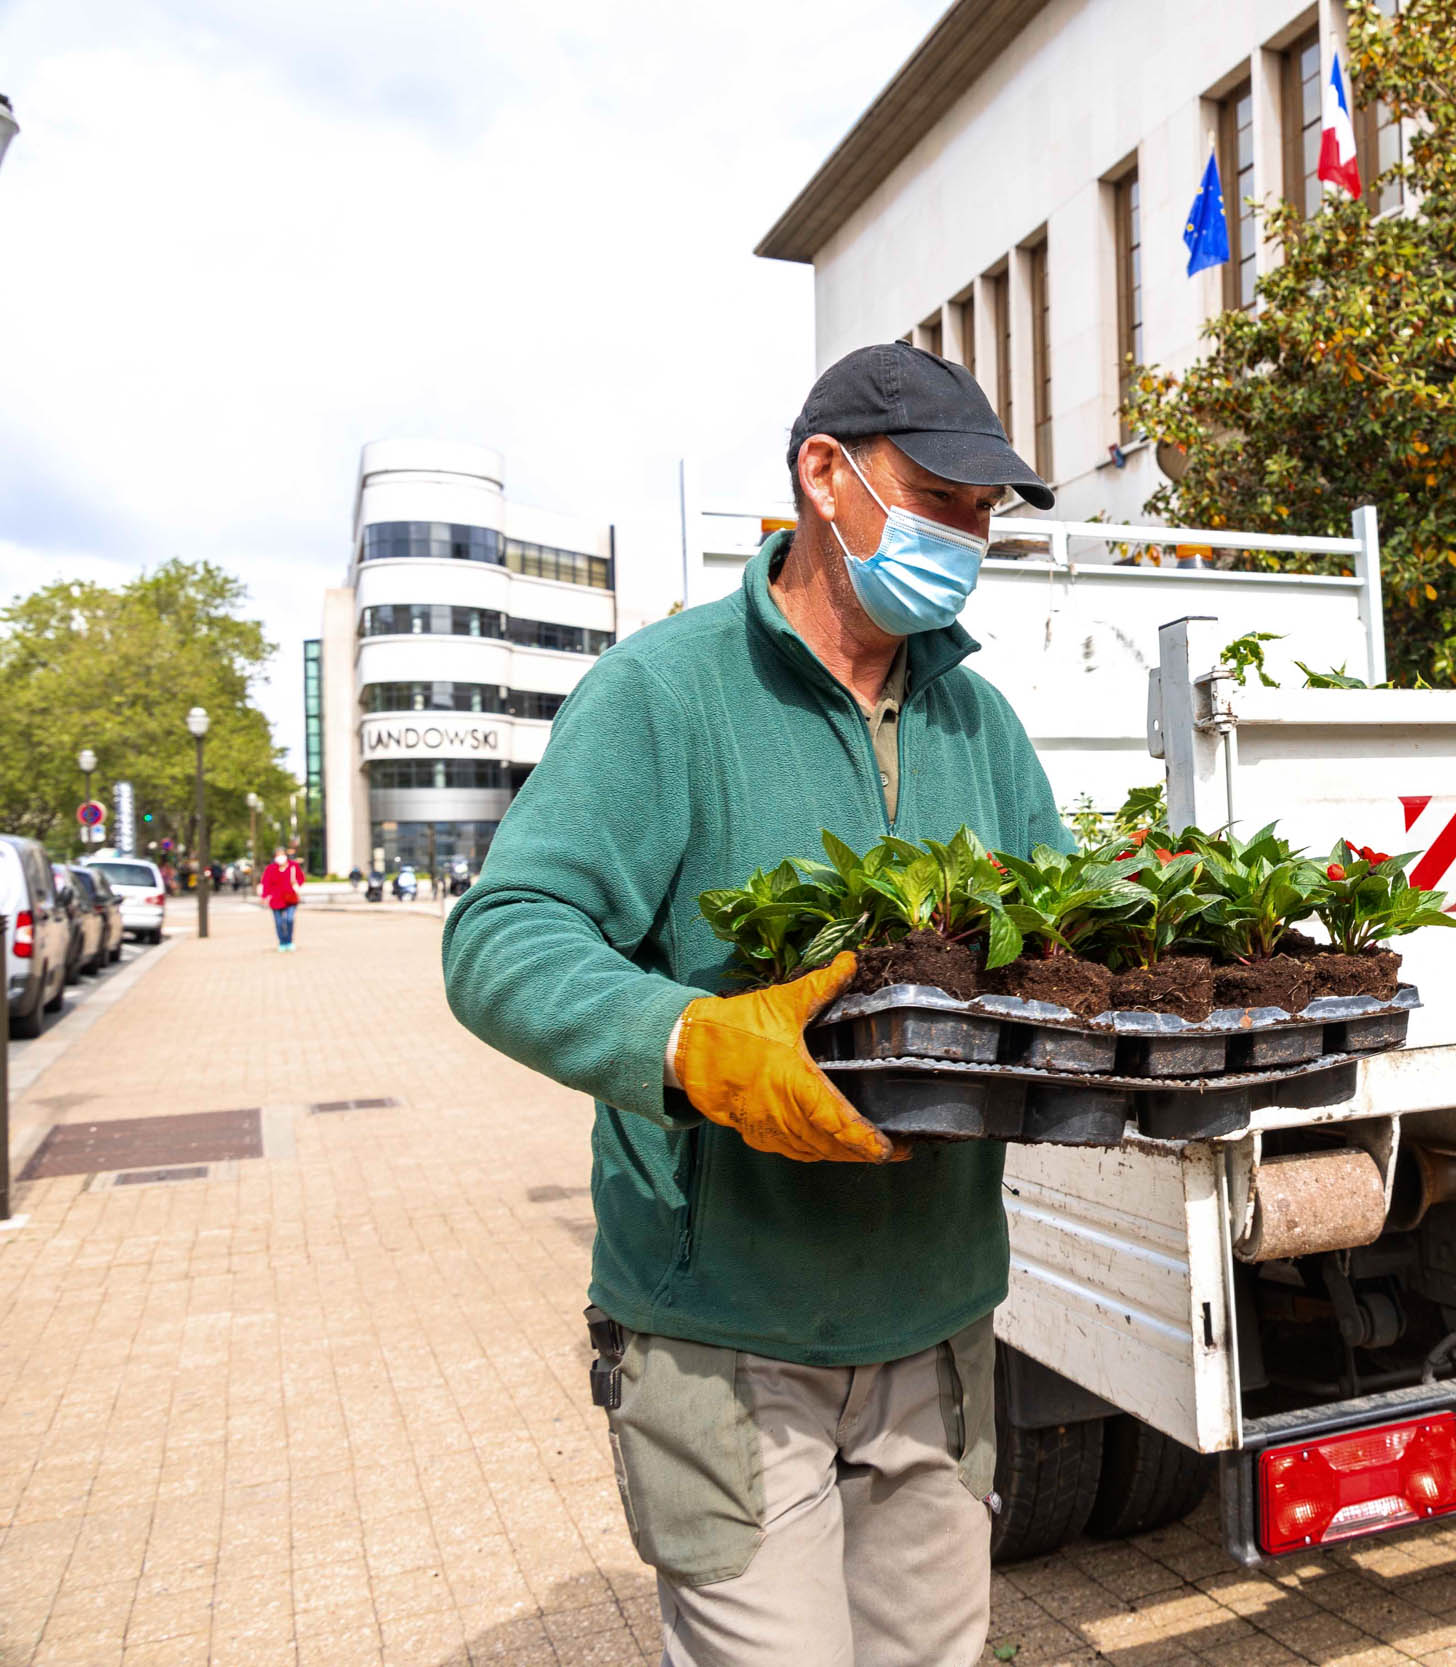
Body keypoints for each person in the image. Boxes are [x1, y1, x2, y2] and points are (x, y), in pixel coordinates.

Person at [443, 343, 1064, 1666]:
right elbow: (503, 936)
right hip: (725, 1333)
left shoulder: (983, 727)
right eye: (938, 493)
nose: (964, 532)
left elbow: (1048, 962)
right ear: (824, 477)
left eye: (981, 511)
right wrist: (690, 1040)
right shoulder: (666, 697)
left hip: (938, 1320)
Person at [259, 845, 305, 951]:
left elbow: (300, 878)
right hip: (276, 899)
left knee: (289, 919)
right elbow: (266, 883)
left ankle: (289, 940)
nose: (280, 857)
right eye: (278, 855)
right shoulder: (271, 868)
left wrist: (296, 884)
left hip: (290, 897)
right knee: (279, 922)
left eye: (282, 854)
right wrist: (264, 896)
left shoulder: (293, 866)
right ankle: (282, 942)